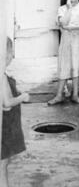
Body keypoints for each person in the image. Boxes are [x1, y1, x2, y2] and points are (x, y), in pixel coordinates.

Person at [48, 0, 79, 105]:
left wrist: (74, 27)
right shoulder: (62, 9)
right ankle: (59, 95)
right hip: (66, 42)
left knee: (76, 67)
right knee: (64, 67)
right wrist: (69, 8)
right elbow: (63, 23)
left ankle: (75, 95)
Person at [1, 38, 29, 187]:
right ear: (8, 54)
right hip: (4, 129)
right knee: (2, 168)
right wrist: (22, 97)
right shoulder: (2, 76)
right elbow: (6, 104)